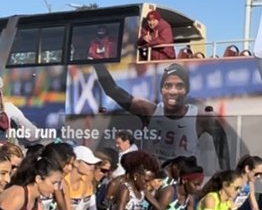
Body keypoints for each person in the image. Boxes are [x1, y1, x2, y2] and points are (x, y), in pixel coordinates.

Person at [96, 61, 227, 177]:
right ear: (162, 90)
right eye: (168, 86)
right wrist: (97, 62)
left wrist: (225, 169)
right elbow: (112, 90)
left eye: (179, 86)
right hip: (152, 181)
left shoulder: (199, 118)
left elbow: (221, 136)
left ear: (186, 90)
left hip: (181, 184)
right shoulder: (150, 110)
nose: (173, 91)